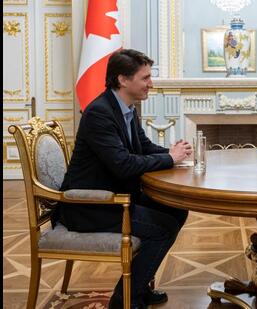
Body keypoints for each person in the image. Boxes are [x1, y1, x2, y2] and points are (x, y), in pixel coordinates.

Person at [56, 49, 193, 309]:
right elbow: (123, 164)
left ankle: (138, 286)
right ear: (123, 80)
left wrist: (175, 154)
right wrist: (170, 159)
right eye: (145, 78)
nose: (151, 84)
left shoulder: (126, 108)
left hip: (117, 196)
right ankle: (124, 299)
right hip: (90, 206)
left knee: (176, 210)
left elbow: (142, 146)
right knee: (162, 228)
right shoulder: (99, 113)